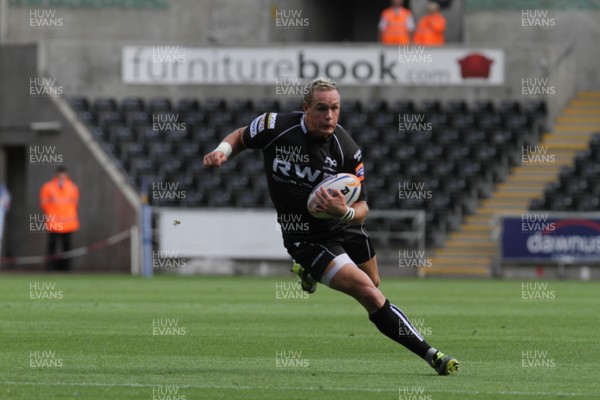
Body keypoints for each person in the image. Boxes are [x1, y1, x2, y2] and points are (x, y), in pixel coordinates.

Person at [203, 78, 459, 375]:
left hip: (344, 224)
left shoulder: (346, 150)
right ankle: (432, 355)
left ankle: (310, 274)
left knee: (373, 281)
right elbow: (240, 136)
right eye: (322, 108)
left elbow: (363, 208)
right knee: (370, 294)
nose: (329, 116)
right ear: (305, 109)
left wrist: (345, 212)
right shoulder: (275, 127)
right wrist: (223, 151)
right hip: (306, 237)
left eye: (335, 108)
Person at [39, 166, 80, 271]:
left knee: (67, 248)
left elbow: (75, 203)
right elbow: (44, 204)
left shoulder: (72, 187)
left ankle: (66, 269)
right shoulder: (48, 187)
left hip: (68, 223)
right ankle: (49, 268)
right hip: (54, 222)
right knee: (52, 246)